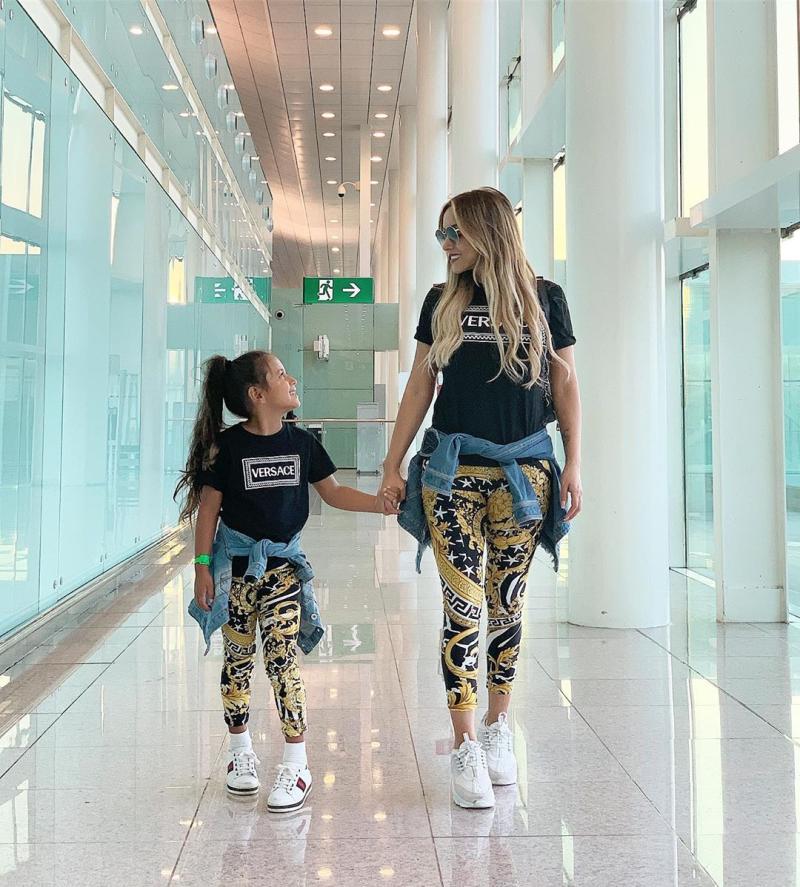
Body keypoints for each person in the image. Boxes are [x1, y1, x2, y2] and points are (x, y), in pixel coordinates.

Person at [379, 187, 582, 809]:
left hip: (526, 475)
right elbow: (420, 386)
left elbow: (566, 385)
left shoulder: (546, 299)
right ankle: (465, 741)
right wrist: (392, 463)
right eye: (442, 235)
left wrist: (575, 463)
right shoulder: (441, 301)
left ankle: (498, 728)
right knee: (462, 606)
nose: (446, 245)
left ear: (487, 232)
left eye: (455, 233)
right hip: (450, 475)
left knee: (507, 605)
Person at [175, 350, 396, 814]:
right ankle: (240, 752)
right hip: (235, 571)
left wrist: (378, 503)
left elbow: (333, 492)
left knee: (282, 659)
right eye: (280, 374)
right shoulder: (228, 447)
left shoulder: (302, 443)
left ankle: (297, 763)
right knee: (237, 661)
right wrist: (201, 566)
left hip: (282, 570)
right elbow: (209, 509)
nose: (291, 378)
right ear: (257, 394)